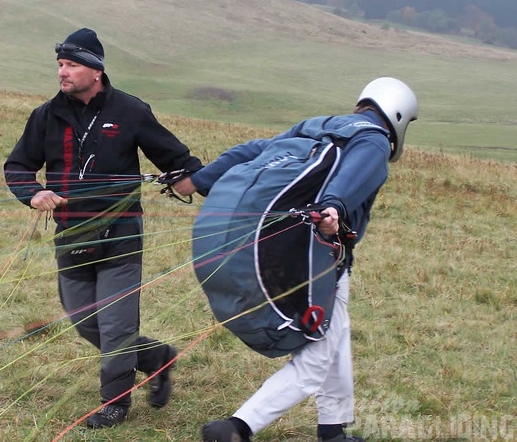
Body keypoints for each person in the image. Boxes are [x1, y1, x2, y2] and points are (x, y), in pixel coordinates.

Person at [172, 77, 419, 442]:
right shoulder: (373, 139)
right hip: (314, 252)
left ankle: (334, 428)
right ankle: (239, 426)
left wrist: (200, 180)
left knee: (338, 333)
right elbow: (357, 173)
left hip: (283, 241)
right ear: (400, 114)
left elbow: (256, 149)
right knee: (317, 356)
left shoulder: (317, 125)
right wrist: (334, 203)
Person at [4, 27, 202, 429]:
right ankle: (155, 358)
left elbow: (177, 159)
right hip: (71, 235)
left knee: (115, 324)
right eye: (60, 64)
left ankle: (114, 403)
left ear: (95, 71)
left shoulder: (131, 111)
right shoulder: (45, 116)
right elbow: (18, 166)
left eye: (72, 65)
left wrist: (204, 182)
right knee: (83, 320)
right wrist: (34, 193)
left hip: (121, 235)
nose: (62, 72)